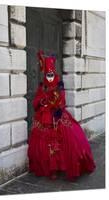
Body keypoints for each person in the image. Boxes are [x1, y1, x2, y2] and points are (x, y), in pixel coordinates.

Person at [27, 50, 96, 181]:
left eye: (51, 75)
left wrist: (57, 108)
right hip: (44, 118)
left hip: (58, 116)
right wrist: (42, 103)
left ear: (54, 73)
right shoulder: (43, 87)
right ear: (45, 75)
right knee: (46, 144)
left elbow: (62, 100)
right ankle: (51, 169)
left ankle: (66, 166)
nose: (50, 78)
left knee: (70, 138)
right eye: (48, 75)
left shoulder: (59, 86)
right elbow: (36, 102)